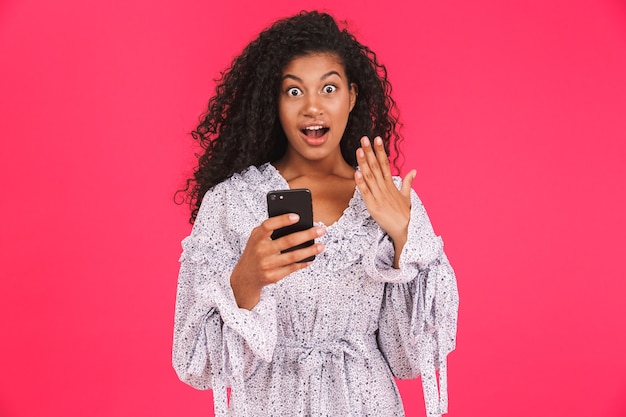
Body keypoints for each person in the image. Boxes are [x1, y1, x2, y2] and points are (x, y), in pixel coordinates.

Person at [173, 10, 458, 417]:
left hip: (368, 405)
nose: (312, 107)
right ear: (273, 101)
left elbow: (410, 356)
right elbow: (198, 365)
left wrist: (403, 237)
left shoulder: (390, 197)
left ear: (352, 96)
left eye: (329, 88)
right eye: (294, 91)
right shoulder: (231, 203)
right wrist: (246, 280)